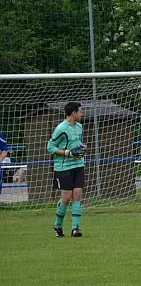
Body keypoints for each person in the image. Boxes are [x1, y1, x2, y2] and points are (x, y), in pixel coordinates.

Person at [47, 102, 87, 238]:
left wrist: (82, 147)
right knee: (66, 198)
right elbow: (50, 147)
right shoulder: (61, 128)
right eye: (80, 111)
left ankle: (75, 228)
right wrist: (67, 153)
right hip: (64, 167)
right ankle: (58, 225)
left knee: (77, 195)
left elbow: (77, 144)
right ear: (74, 113)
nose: (82, 114)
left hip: (78, 165)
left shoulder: (80, 127)